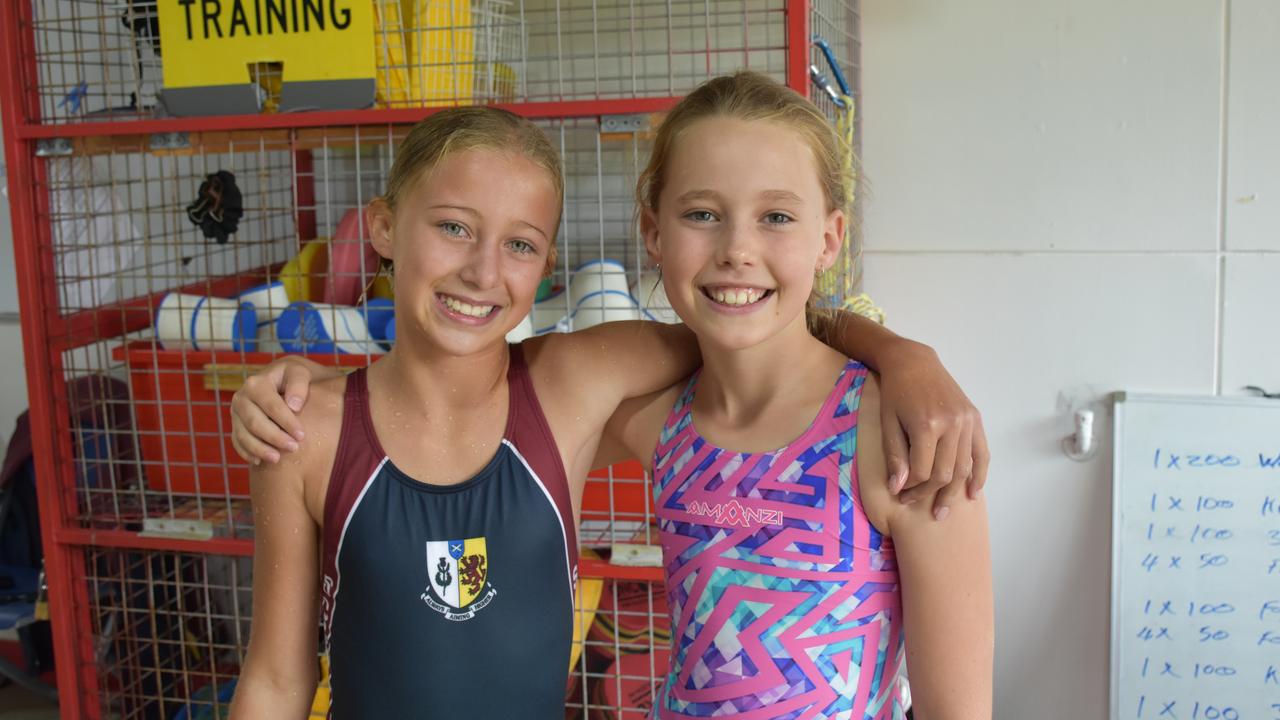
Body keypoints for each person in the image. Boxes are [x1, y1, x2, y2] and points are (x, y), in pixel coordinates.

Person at [229, 104, 988, 718]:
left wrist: (905, 357)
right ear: (385, 227)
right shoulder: (305, 429)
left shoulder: (899, 438)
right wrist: (298, 379)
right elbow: (274, 679)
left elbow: (760, 324)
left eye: (520, 245)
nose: (484, 269)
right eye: (454, 226)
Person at [596, 71, 993, 718]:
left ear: (829, 240)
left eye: (776, 217)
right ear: (654, 232)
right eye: (702, 215)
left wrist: (905, 358)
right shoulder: (657, 422)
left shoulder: (901, 439)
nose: (737, 250)